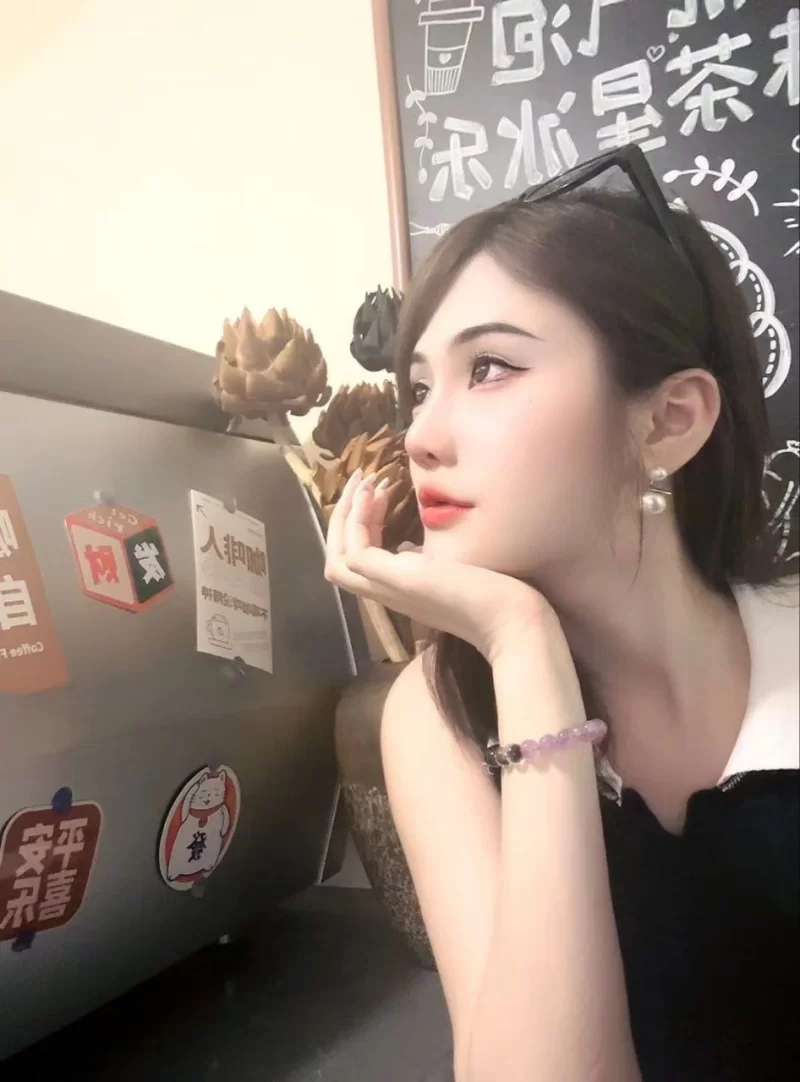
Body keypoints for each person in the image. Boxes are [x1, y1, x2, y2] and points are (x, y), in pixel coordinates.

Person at [324, 149, 799, 1082]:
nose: (420, 435)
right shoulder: (439, 714)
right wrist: (521, 646)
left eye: (489, 368)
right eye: (419, 388)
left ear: (669, 421)